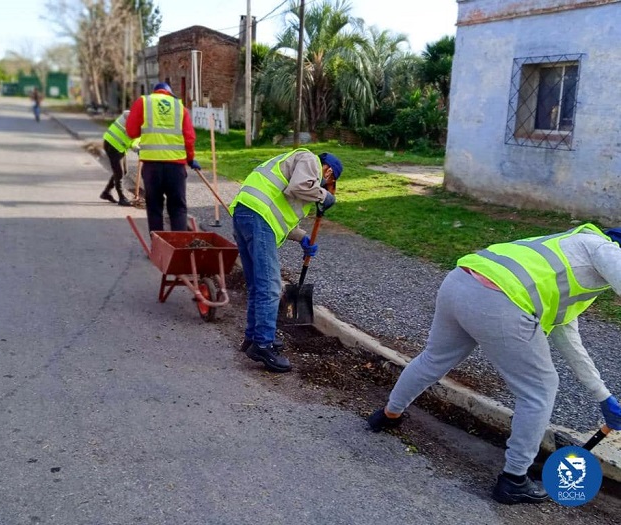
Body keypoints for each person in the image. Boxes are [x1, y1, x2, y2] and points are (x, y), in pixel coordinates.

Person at [367, 223, 621, 505]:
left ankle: (388, 415)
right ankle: (514, 480)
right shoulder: (604, 249)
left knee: (433, 359)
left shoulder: (573, 250)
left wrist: (603, 395)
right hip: (499, 302)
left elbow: (568, 339)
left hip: (460, 282)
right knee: (539, 390)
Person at [229, 149, 342, 373]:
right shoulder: (310, 159)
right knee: (270, 287)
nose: (323, 184)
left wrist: (303, 238)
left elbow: (279, 213)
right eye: (328, 182)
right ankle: (263, 345)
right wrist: (324, 196)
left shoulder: (296, 167)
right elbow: (298, 187)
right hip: (258, 218)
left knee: (257, 285)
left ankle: (252, 337)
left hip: (246, 214)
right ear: (328, 171)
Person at [125, 82, 199, 232]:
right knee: (178, 207)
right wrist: (191, 159)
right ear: (169, 93)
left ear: (155, 92)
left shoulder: (143, 102)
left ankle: (158, 243)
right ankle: (179, 242)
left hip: (152, 167)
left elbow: (131, 132)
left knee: (154, 207)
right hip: (176, 167)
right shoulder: (179, 107)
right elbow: (189, 138)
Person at [100, 110, 139, 207]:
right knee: (119, 172)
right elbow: (132, 133)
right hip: (113, 144)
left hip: (119, 146)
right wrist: (137, 148)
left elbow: (134, 139)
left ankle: (106, 192)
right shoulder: (136, 118)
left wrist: (137, 147)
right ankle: (122, 198)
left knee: (123, 171)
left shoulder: (142, 120)